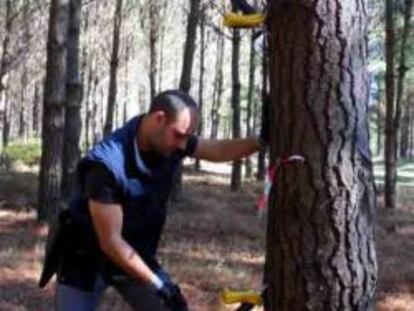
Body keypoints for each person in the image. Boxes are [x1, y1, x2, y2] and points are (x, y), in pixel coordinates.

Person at [39, 90, 268, 311]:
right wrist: (160, 286)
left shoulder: (172, 138)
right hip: (83, 261)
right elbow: (110, 242)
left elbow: (218, 150)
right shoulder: (106, 164)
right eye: (179, 135)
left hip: (134, 256)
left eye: (186, 138)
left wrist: (261, 141)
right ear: (159, 119)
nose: (182, 144)